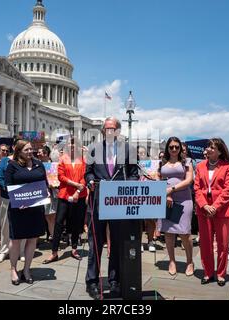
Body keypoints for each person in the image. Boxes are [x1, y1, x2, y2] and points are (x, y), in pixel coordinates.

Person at [85, 117, 139, 300]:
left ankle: (114, 280)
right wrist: (90, 181)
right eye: (106, 129)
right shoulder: (93, 149)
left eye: (112, 129)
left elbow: (134, 174)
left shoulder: (128, 150)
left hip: (118, 204)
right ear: (102, 131)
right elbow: (88, 172)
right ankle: (92, 282)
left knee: (116, 243)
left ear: (118, 131)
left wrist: (125, 187)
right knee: (95, 244)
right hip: (97, 202)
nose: (109, 132)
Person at [5, 140, 48, 285]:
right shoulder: (12, 166)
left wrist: (46, 191)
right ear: (18, 151)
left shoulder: (38, 164)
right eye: (26, 150)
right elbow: (7, 186)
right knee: (15, 239)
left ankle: (27, 269)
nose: (30, 152)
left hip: (35, 208)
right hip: (18, 208)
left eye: (31, 149)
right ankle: (13, 269)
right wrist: (18, 200)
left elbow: (44, 182)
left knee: (32, 239)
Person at [194, 138, 229, 286]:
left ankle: (221, 273)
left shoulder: (228, 166)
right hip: (203, 209)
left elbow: (227, 190)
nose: (208, 149)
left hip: (223, 210)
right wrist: (205, 205)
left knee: (223, 244)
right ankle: (208, 272)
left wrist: (215, 207)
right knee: (205, 243)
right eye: (208, 147)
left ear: (219, 151)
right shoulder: (200, 166)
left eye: (212, 147)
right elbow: (197, 188)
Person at [43, 138, 87, 264]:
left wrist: (78, 191)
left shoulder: (83, 159)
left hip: (79, 195)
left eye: (74, 144)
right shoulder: (63, 158)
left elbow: (85, 176)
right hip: (65, 194)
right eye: (69, 144)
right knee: (58, 222)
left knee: (76, 222)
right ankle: (54, 252)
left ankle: (74, 249)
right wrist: (75, 185)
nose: (72, 146)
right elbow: (61, 177)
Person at [158, 137, 194, 277]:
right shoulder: (162, 162)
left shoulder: (186, 162)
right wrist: (166, 194)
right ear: (167, 148)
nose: (174, 149)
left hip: (184, 199)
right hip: (167, 199)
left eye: (176, 147)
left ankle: (189, 261)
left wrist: (172, 189)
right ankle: (171, 260)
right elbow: (159, 179)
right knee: (168, 232)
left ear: (180, 148)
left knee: (185, 232)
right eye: (171, 147)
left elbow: (189, 180)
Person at [0, 138, 25, 263]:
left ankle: (21, 251)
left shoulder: (26, 162)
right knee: (5, 225)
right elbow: (0, 178)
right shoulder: (5, 161)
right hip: (7, 197)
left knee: (22, 225)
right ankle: (4, 250)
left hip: (22, 198)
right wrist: (9, 190)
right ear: (14, 147)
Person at [138, 146, 157, 253]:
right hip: (138, 194)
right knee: (139, 221)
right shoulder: (134, 163)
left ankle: (150, 241)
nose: (141, 155)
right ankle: (139, 242)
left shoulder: (153, 164)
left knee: (150, 220)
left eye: (143, 153)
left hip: (150, 194)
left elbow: (156, 176)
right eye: (139, 153)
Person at [38, 145, 57, 241]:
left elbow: (56, 180)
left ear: (45, 153)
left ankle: (55, 238)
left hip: (53, 193)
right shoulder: (37, 165)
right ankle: (53, 237)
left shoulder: (53, 165)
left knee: (52, 217)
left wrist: (53, 184)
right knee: (47, 217)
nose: (38, 154)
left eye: (40, 152)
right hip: (42, 193)